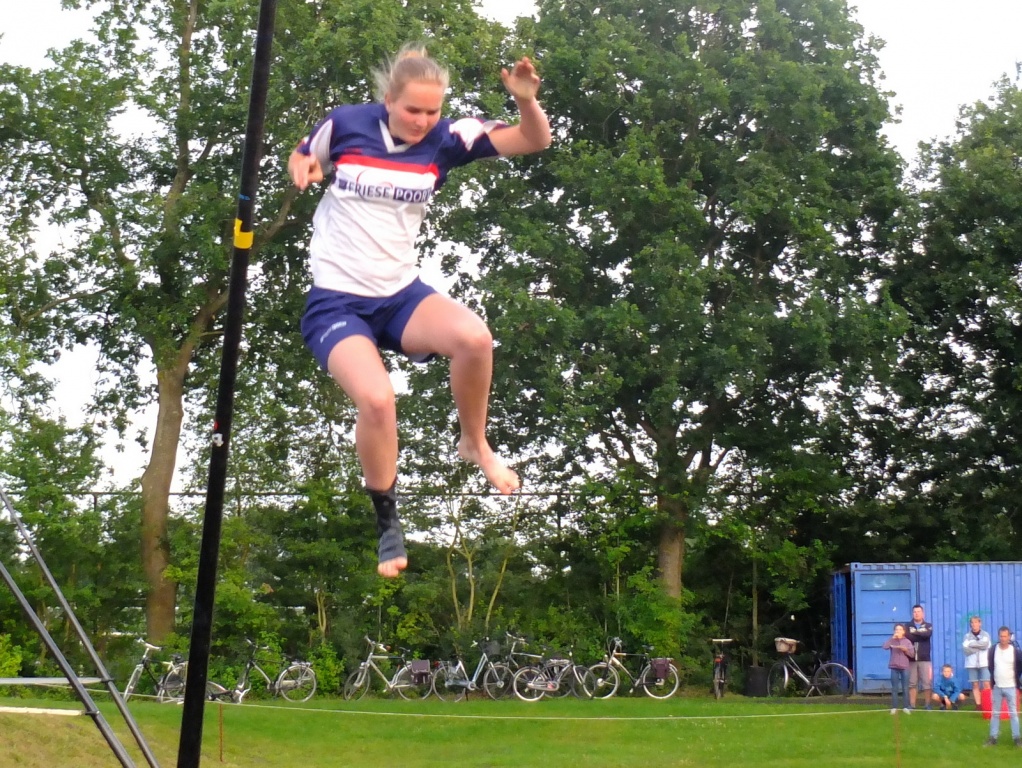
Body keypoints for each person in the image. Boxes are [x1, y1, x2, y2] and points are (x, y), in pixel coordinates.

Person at [288, 44, 551, 578]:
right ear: (388, 100)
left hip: (401, 296)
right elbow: (303, 156)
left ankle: (475, 443)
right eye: (412, 110)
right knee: (377, 400)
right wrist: (307, 167)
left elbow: (533, 140)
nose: (422, 121)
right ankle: (387, 519)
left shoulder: (448, 138)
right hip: (336, 300)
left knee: (474, 339)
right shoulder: (346, 124)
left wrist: (526, 101)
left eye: (432, 111)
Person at [985, 626, 1022, 747]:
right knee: (995, 713)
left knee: (1013, 714)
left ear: (1009, 637)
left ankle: (1017, 738)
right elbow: (991, 666)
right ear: (998, 636)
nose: (1003, 638)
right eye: (1001, 636)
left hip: (1011, 686)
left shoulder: (1015, 651)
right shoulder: (993, 650)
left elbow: (1019, 667)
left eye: (1005, 636)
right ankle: (993, 738)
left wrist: (1016, 680)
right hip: (997, 687)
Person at [883, 623, 915, 713]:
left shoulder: (907, 641)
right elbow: (885, 647)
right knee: (894, 688)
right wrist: (892, 638)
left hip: (905, 667)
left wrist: (906, 650)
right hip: (894, 666)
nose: (898, 631)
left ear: (903, 631)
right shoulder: (892, 640)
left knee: (905, 688)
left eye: (900, 629)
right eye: (896, 629)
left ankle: (906, 707)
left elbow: (912, 654)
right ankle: (894, 707)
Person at [906, 604, 933, 709]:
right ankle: (912, 705)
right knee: (912, 683)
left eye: (918, 612)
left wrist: (915, 633)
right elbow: (909, 637)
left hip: (925, 659)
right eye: (914, 612)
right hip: (911, 659)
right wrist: (919, 634)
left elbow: (927, 635)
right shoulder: (907, 626)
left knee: (927, 683)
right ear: (912, 613)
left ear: (923, 613)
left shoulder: (928, 625)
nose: (916, 614)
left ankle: (928, 705)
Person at [964, 615, 993, 707]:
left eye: (976, 622)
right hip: (971, 664)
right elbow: (966, 650)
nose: (974, 624)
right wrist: (979, 647)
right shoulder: (967, 636)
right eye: (972, 622)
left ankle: (988, 704)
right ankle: (978, 704)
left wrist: (971, 644)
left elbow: (985, 645)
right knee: (975, 684)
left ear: (980, 623)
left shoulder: (985, 634)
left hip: (984, 663)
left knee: (986, 683)